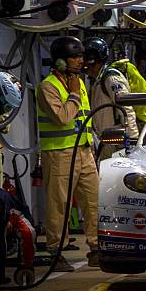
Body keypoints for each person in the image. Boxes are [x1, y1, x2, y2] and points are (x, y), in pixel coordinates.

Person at [36, 36, 99, 271]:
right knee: (58, 204)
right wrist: (72, 94)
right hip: (59, 153)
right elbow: (61, 118)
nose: (80, 61)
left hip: (83, 151)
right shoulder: (48, 87)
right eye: (75, 57)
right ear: (61, 61)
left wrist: (90, 145)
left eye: (81, 56)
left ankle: (96, 248)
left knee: (93, 201)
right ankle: (56, 251)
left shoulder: (79, 82)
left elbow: (84, 116)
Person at [84, 37, 139, 160]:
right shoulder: (96, 80)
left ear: (93, 60)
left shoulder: (111, 78)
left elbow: (126, 108)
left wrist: (132, 140)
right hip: (106, 140)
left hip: (118, 141)